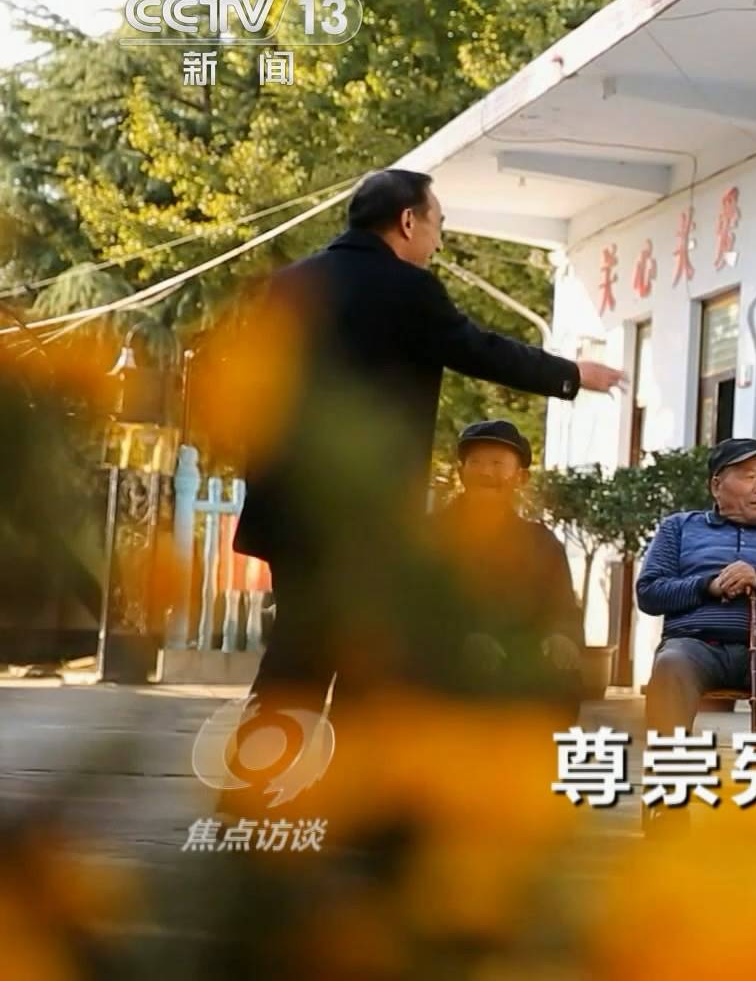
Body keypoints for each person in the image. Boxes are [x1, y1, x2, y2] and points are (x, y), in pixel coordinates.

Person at [234, 169, 621, 721]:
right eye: (438, 224)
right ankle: (344, 770)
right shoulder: (407, 289)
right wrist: (571, 374)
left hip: (290, 512)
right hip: (367, 520)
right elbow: (480, 350)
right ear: (408, 221)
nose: (439, 241)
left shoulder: (288, 284)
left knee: (298, 649)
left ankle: (263, 763)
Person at [636, 438, 756, 845]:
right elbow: (649, 593)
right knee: (670, 665)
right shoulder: (679, 529)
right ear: (716, 485)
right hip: (694, 646)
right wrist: (707, 585)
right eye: (748, 476)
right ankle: (668, 801)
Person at [428, 419, 585, 716]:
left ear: (521, 477)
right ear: (461, 473)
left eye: (498, 464)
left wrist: (562, 636)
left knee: (561, 676)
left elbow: (564, 608)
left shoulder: (542, 542)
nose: (486, 472)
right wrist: (461, 639)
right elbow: (413, 610)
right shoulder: (432, 534)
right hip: (446, 663)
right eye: (476, 462)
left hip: (522, 660)